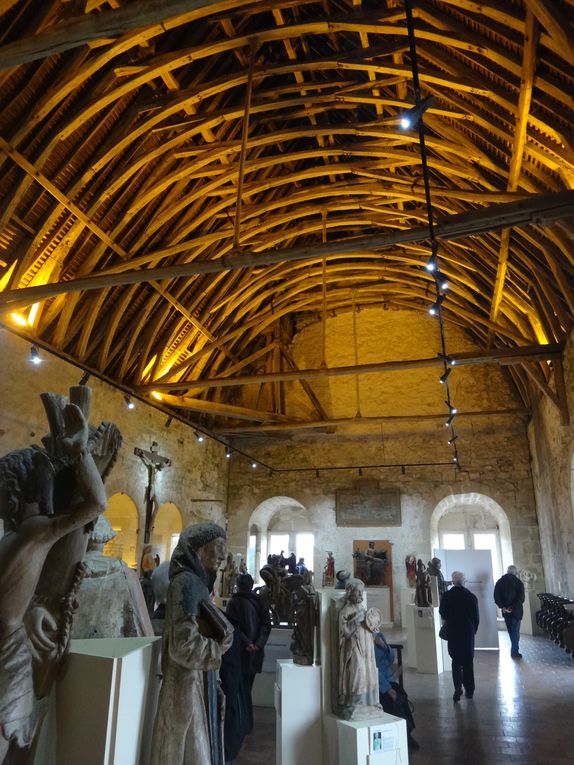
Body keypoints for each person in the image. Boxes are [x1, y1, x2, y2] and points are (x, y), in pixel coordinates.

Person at [150, 523, 234, 765]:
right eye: (217, 548)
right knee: (181, 749)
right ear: (199, 550)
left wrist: (215, 680)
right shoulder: (186, 583)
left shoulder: (195, 583)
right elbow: (182, 644)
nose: (222, 556)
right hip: (184, 684)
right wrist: (218, 649)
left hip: (196, 680)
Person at [225, 573, 271, 733]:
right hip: (255, 653)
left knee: (242, 689)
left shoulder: (234, 602)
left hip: (242, 651)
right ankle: (246, 723)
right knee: (247, 688)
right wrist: (257, 644)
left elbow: (232, 627)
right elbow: (266, 625)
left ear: (238, 585)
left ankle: (243, 723)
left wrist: (247, 643)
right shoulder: (259, 601)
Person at [374, 631, 419, 750]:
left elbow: (391, 659)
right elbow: (374, 671)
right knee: (392, 701)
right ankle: (404, 733)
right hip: (377, 684)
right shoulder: (366, 642)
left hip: (387, 678)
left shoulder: (378, 635)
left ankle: (408, 731)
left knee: (402, 695)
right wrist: (388, 689)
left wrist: (384, 646)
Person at [439, 571, 479, 702]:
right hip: (467, 633)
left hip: (453, 631)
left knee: (455, 661)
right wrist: (474, 631)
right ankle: (470, 690)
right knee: (468, 662)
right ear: (464, 581)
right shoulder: (470, 596)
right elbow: (476, 617)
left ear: (453, 581)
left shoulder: (447, 596)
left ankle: (457, 688)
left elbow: (443, 613)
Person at [494, 565, 525, 658]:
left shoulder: (500, 582)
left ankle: (514, 649)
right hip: (516, 611)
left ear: (507, 571)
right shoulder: (518, 582)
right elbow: (521, 598)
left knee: (511, 631)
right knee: (515, 631)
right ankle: (514, 651)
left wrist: (503, 607)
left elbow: (496, 596)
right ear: (515, 572)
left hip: (505, 611)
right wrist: (512, 607)